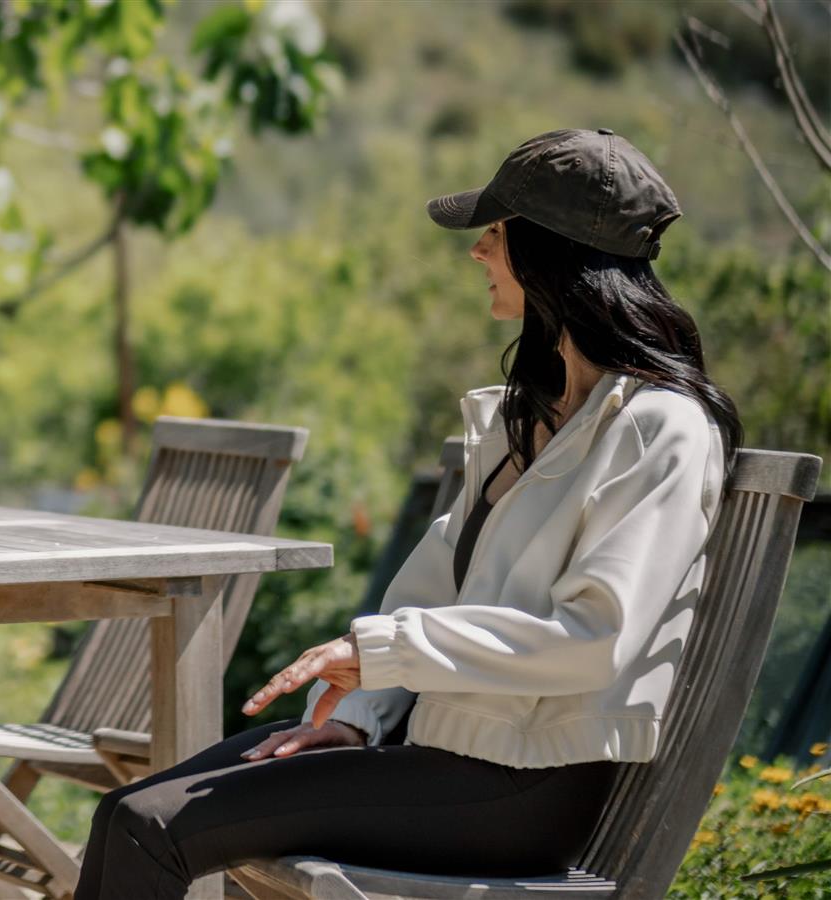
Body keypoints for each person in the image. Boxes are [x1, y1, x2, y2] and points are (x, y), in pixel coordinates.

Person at [76, 127, 742, 898]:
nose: (478, 254)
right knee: (126, 811)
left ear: (552, 254)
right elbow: (430, 590)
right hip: (433, 755)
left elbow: (593, 639)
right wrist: (359, 717)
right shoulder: (524, 419)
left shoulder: (663, 428)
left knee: (150, 830)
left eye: (495, 234)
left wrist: (386, 650)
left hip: (517, 788)